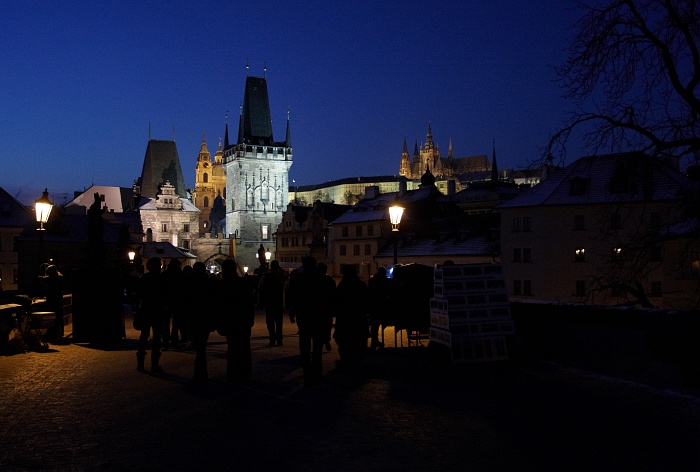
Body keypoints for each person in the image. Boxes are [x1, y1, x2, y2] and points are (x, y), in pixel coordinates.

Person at [286, 256, 325, 386]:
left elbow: (294, 297)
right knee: (317, 347)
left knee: (305, 346)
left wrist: (293, 312)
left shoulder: (299, 279)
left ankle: (307, 375)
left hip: (304, 316)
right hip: (318, 316)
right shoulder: (320, 279)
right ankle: (317, 373)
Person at [215, 258, 255, 383]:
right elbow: (249, 301)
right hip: (243, 319)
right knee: (244, 346)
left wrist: (219, 322)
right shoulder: (242, 282)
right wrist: (251, 317)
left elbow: (218, 305)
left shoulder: (222, 284)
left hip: (230, 321)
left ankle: (232, 373)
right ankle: (245, 372)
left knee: (232, 347)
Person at [333, 265, 369, 367]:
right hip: (358, 317)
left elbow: (337, 301)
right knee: (357, 339)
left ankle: (345, 357)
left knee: (344, 339)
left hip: (345, 318)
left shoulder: (342, 286)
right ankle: (356, 358)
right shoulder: (361, 285)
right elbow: (366, 301)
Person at [136, 257, 166, 373]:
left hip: (146, 309)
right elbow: (166, 294)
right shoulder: (161, 279)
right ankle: (154, 365)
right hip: (158, 310)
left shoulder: (144, 278)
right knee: (157, 337)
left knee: (144, 336)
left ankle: (140, 364)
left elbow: (138, 293)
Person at [186, 262, 214, 383]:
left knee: (199, 348)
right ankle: (202, 373)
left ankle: (199, 374)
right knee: (201, 347)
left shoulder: (191, 284)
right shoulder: (209, 283)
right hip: (205, 318)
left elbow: (188, 301)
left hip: (195, 318)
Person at [258, 260, 287, 346]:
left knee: (270, 322)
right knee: (279, 322)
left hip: (269, 302)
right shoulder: (281, 276)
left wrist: (261, 301)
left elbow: (260, 289)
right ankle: (279, 339)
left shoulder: (266, 276)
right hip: (279, 302)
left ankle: (272, 339)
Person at [367, 267, 389, 349]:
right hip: (381, 306)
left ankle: (374, 341)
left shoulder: (372, 280)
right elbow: (387, 292)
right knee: (377, 324)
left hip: (373, 306)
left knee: (374, 325)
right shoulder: (384, 281)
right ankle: (375, 341)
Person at [316, 262, 336, 351]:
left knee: (318, 326)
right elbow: (334, 295)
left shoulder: (314, 281)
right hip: (328, 308)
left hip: (317, 308)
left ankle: (319, 343)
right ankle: (326, 340)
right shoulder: (330, 280)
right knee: (327, 326)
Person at [44, 265, 64, 342]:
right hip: (59, 301)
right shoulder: (59, 277)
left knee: (52, 318)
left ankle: (52, 335)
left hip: (53, 301)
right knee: (58, 319)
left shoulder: (52, 279)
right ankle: (58, 334)